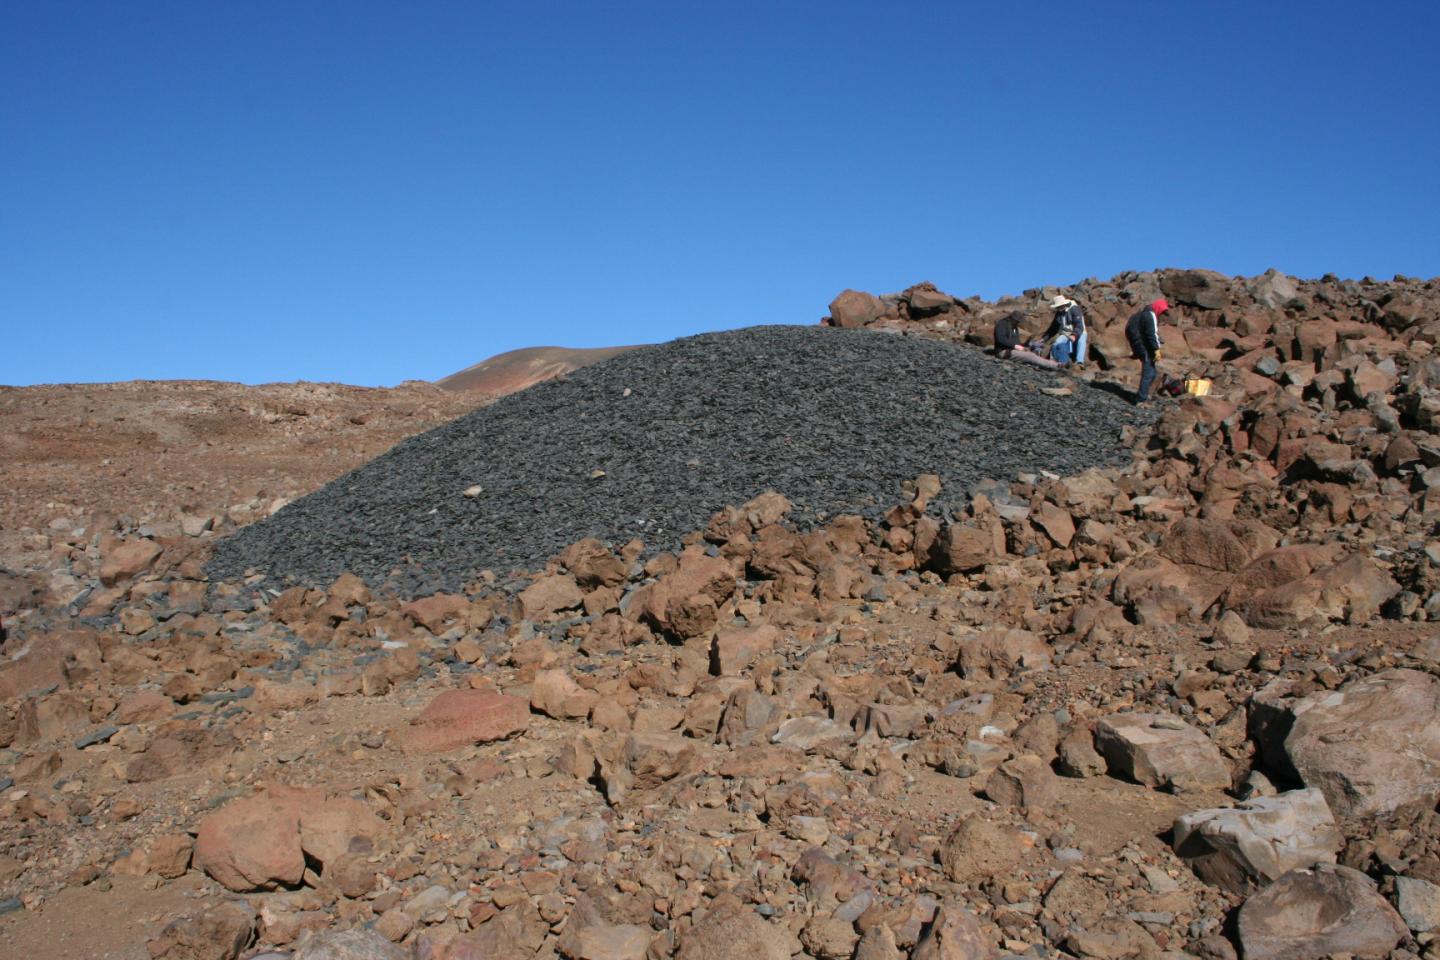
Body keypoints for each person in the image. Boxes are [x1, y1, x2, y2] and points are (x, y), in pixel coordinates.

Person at [1125, 298, 1169, 402]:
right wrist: (1156, 349)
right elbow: (1151, 334)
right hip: (1145, 347)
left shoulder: (1143, 314)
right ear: (1159, 308)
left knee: (1152, 372)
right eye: (1162, 311)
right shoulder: (1150, 315)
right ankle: (1140, 398)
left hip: (1139, 345)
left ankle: (1142, 395)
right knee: (1149, 372)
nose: (1162, 314)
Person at [993, 311, 1061, 369]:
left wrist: (1027, 346)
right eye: (1017, 321)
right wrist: (1015, 346)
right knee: (1030, 356)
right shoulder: (1002, 324)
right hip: (1003, 352)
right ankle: (1056, 365)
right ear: (1012, 318)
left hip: (1012, 350)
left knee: (1033, 352)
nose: (1018, 322)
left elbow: (1016, 342)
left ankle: (1051, 363)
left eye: (1018, 321)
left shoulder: (1014, 327)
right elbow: (1001, 339)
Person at [1043, 295, 1087, 366]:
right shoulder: (1059, 312)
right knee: (1057, 343)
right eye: (1058, 307)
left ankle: (1079, 362)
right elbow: (1053, 328)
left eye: (1060, 306)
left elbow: (1079, 326)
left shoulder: (1074, 309)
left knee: (1081, 341)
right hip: (1066, 333)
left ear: (1064, 304)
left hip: (1079, 331)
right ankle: (1058, 361)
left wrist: (1074, 335)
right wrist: (1044, 339)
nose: (1059, 308)